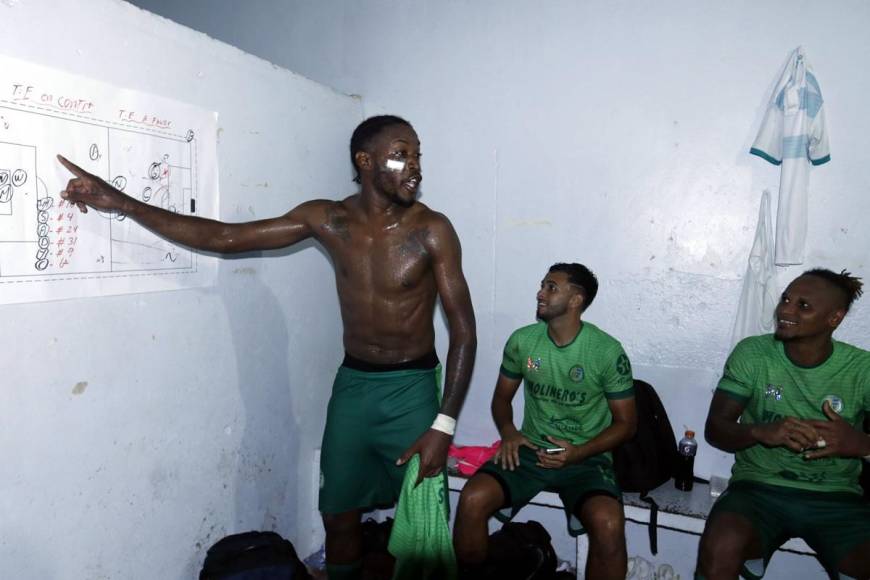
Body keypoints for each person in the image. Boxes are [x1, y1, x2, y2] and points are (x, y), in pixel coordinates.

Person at [57, 115, 477, 580]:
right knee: (337, 514)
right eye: (402, 154)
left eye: (418, 155)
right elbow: (225, 237)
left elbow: (464, 332)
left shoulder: (432, 229)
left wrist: (443, 424)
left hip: (411, 391)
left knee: (423, 530)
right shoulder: (329, 219)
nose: (415, 166)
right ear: (365, 160)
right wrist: (119, 202)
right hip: (355, 387)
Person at [453, 263, 636, 579]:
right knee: (472, 499)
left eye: (551, 287)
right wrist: (509, 433)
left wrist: (578, 453)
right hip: (530, 450)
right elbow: (501, 399)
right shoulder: (523, 342)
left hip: (586, 458)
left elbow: (626, 424)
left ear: (576, 299)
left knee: (608, 523)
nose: (540, 293)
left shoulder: (606, 351)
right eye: (542, 285)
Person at [698, 268, 870, 580]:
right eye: (786, 299)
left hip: (837, 496)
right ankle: (756, 548)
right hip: (758, 488)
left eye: (803, 306)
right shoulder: (754, 353)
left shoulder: (861, 369)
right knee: (721, 544)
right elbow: (716, 429)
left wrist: (859, 443)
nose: (786, 311)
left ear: (835, 318)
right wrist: (760, 432)